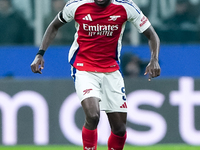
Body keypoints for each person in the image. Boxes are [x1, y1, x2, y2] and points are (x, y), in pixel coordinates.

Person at [30, 0, 161, 149]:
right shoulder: (76, 5)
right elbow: (54, 25)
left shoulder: (126, 7)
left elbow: (152, 35)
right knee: (93, 116)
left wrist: (154, 59)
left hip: (111, 71)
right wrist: (40, 54)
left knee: (119, 129)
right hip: (84, 68)